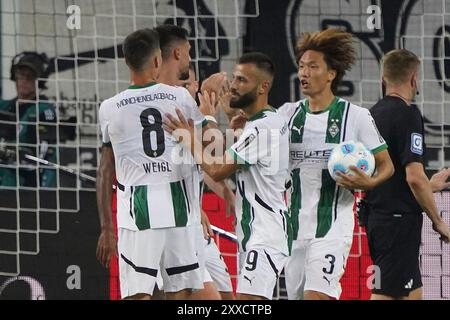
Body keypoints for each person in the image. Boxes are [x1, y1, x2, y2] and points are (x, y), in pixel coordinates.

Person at [277, 28, 394, 300]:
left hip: (332, 227)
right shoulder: (287, 115)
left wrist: (370, 182)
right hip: (293, 229)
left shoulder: (356, 117)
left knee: (316, 296)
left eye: (313, 67)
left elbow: (386, 164)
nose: (303, 73)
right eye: (302, 66)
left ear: (330, 74)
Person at [164, 52, 291, 300]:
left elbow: (217, 168)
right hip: (254, 234)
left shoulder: (263, 129)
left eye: (242, 80)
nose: (233, 86)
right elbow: (223, 156)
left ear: (264, 86)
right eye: (234, 78)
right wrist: (226, 123)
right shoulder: (262, 121)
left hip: (264, 236)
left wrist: (189, 135)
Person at [96, 28, 205, 300]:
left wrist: (107, 228)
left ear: (127, 62)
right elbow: (205, 152)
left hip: (136, 211)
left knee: (137, 293)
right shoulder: (180, 98)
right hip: (178, 206)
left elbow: (104, 171)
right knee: (179, 292)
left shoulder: (110, 107)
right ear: (158, 60)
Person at [364, 49, 450, 300]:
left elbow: (389, 175)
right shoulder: (408, 114)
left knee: (411, 293)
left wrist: (429, 186)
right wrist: (438, 221)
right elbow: (414, 176)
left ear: (383, 79)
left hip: (378, 218)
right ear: (414, 79)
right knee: (384, 294)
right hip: (397, 222)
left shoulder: (371, 115)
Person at [179, 64, 235, 300]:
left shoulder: (198, 117)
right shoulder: (173, 119)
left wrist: (228, 195)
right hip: (179, 227)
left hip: (199, 230)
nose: (182, 91)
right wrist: (196, 207)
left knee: (228, 297)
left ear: (195, 86)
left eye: (186, 85)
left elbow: (210, 166)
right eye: (178, 86)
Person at [0, 52, 57, 187]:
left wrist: (9, 153)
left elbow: (41, 157)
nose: (24, 80)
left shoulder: (45, 111)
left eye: (30, 77)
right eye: (21, 74)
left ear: (39, 81)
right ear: (15, 76)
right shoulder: (4, 106)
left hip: (25, 187)